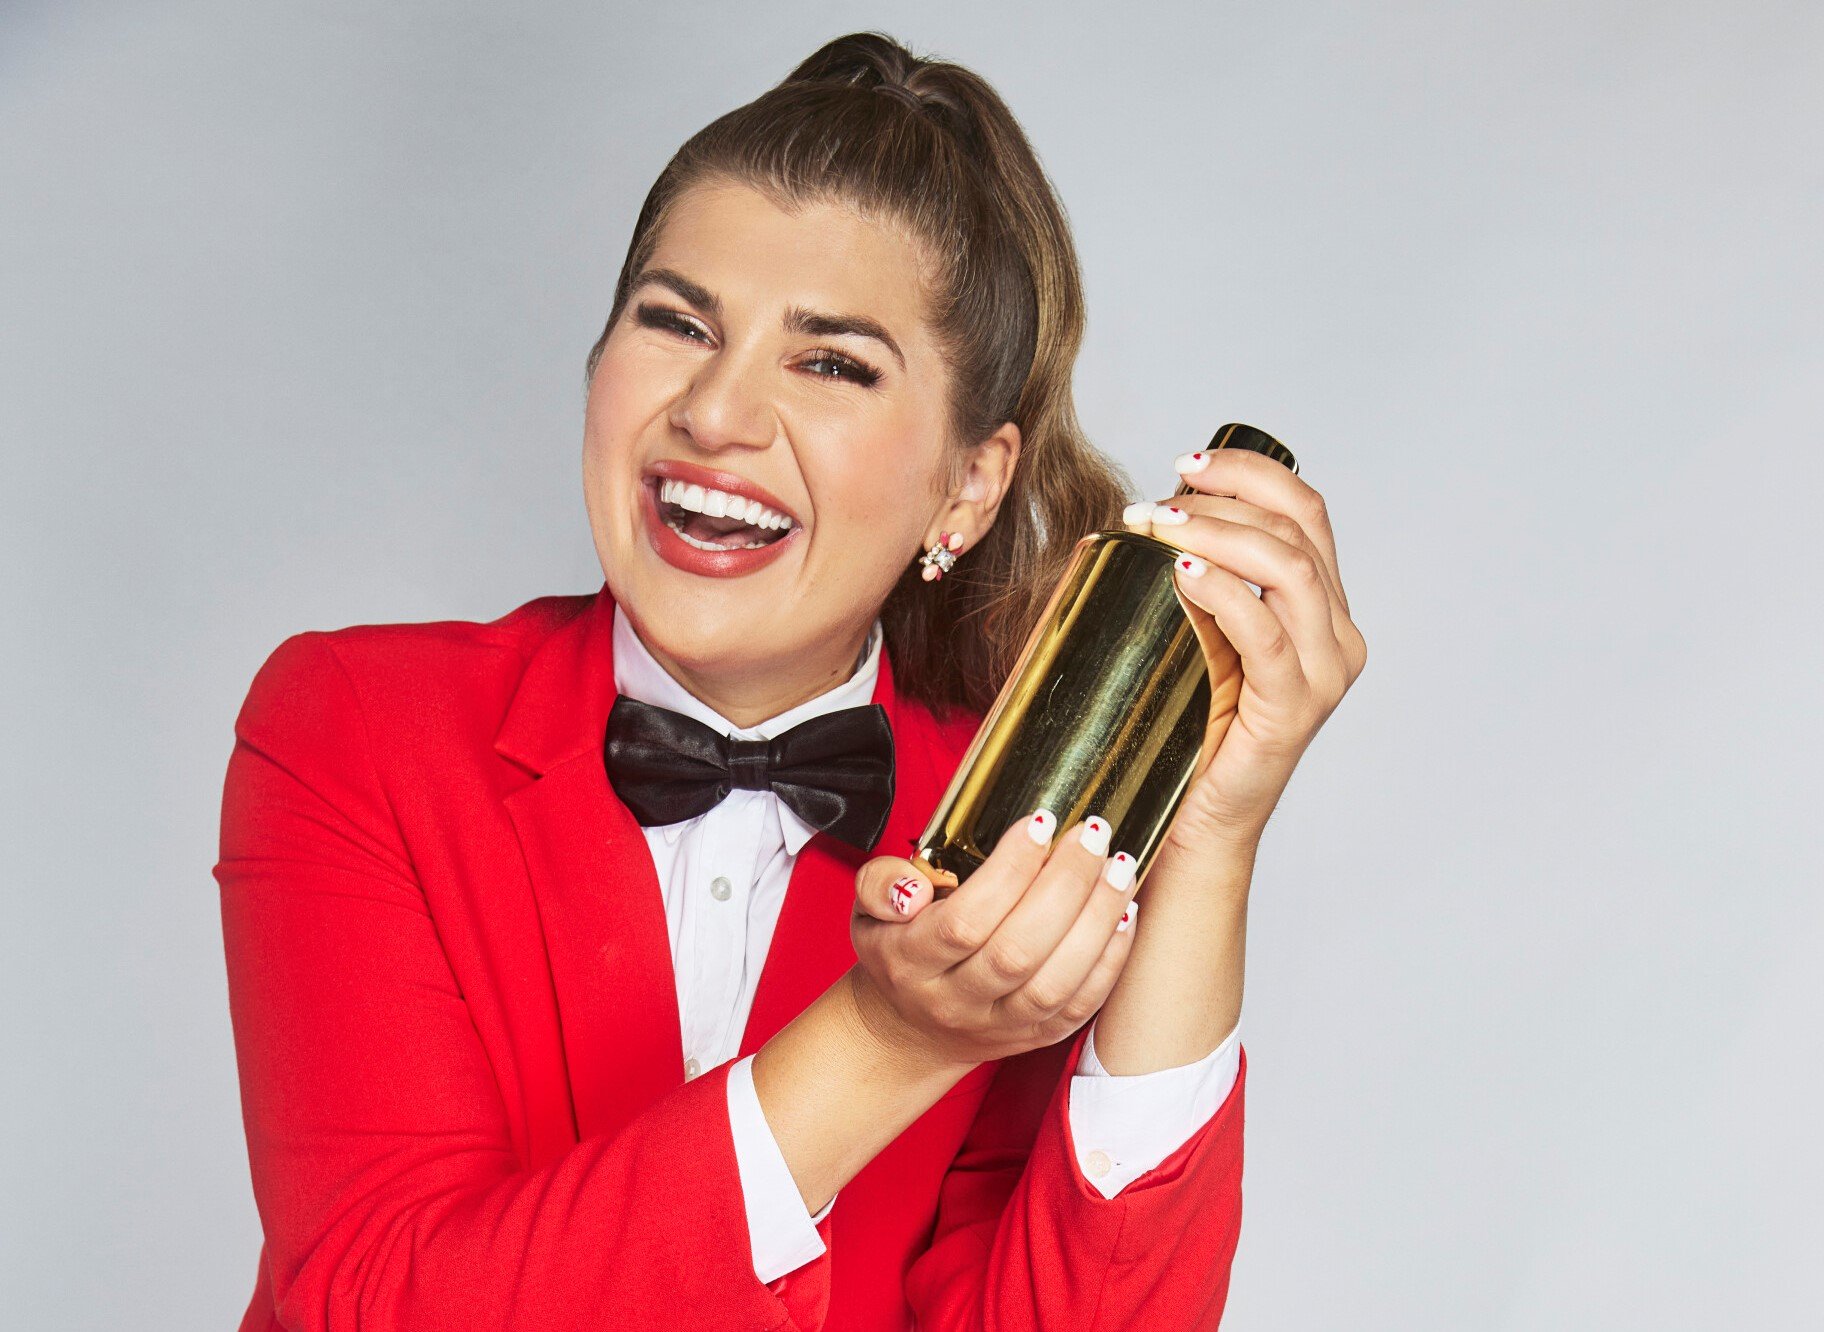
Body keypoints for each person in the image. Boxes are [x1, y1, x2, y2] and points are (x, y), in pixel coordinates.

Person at [214, 30, 1365, 1332]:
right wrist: (888, 1041)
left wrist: (1209, 836)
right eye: (675, 323)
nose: (715, 412)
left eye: (830, 363)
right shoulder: (355, 728)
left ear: (969, 484)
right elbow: (378, 1306)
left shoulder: (1003, 833)